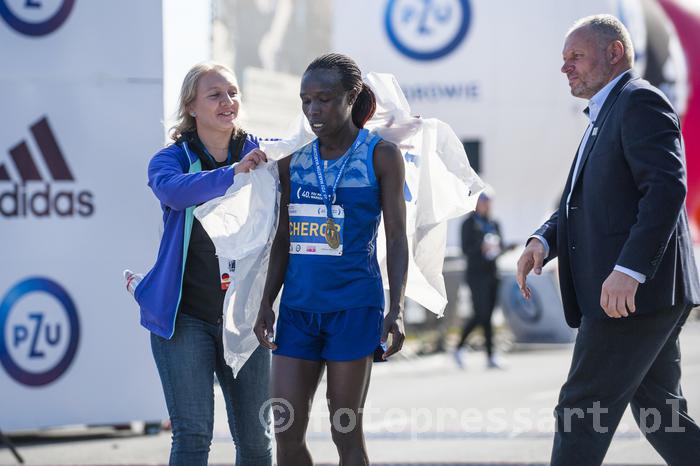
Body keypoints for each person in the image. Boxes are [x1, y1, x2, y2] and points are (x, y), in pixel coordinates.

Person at [516, 15, 700, 466]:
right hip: (637, 292)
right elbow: (587, 203)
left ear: (614, 52)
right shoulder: (606, 112)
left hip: (628, 293)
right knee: (661, 414)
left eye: (575, 56)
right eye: (564, 60)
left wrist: (629, 270)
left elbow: (666, 188)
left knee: (583, 408)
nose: (566, 68)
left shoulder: (639, 102)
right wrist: (543, 239)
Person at [254, 53, 408, 466]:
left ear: (351, 96)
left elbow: (396, 235)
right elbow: (282, 237)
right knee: (285, 432)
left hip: (354, 307)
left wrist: (397, 307)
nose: (312, 110)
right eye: (305, 100)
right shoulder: (293, 160)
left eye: (324, 99)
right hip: (298, 309)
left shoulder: (381, 156)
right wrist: (266, 302)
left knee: (345, 432)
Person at [133, 62, 272, 466]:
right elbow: (174, 192)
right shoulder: (169, 159)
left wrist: (376, 129)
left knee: (256, 441)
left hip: (243, 319)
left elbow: (310, 148)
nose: (228, 102)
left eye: (232, 92)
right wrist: (233, 173)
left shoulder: (259, 150)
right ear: (191, 107)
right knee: (193, 437)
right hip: (184, 318)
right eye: (215, 95)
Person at [454, 190, 507, 369]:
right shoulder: (468, 224)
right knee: (480, 314)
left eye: (489, 201)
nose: (487, 204)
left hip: (492, 273)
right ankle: (459, 347)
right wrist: (481, 247)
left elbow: (500, 247)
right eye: (483, 200)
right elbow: (466, 249)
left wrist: (503, 248)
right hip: (476, 275)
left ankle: (491, 356)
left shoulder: (494, 223)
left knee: (488, 317)